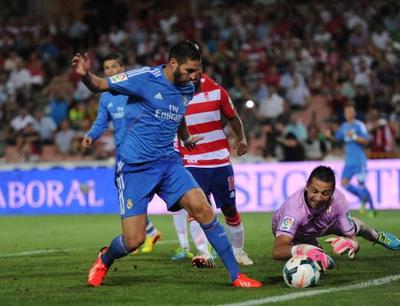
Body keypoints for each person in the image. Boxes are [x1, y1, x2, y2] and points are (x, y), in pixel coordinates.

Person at [72, 40, 261, 288]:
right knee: (133, 240)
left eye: (199, 69)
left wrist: (185, 138)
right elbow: (99, 85)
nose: (196, 76)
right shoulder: (143, 78)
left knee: (203, 209)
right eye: (191, 70)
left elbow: (178, 113)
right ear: (173, 63)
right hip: (135, 168)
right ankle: (105, 259)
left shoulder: (188, 87)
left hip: (168, 162)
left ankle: (236, 276)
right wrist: (86, 75)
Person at [171, 72, 253, 268]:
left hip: (220, 161)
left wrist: (241, 138)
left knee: (229, 209)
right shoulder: (173, 93)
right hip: (191, 161)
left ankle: (239, 252)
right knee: (197, 209)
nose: (191, 75)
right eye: (187, 70)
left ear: (200, 68)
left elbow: (233, 117)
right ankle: (204, 253)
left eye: (194, 69)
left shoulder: (216, 91)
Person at [81, 53, 161, 254]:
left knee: (139, 196)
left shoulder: (135, 89)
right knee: (126, 197)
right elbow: (101, 121)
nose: (110, 71)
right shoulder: (106, 97)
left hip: (145, 151)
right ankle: (143, 234)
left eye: (114, 67)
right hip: (123, 154)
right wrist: (91, 135)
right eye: (107, 68)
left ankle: (146, 234)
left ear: (123, 69)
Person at [272, 165, 400, 265]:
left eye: (325, 193)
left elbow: (353, 239)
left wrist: (352, 245)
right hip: (298, 232)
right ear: (306, 186)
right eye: (314, 191)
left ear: (332, 192)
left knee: (355, 227)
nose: (318, 198)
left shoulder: (339, 201)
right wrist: (303, 250)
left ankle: (377, 236)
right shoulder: (293, 209)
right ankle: (312, 248)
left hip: (323, 224)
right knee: (317, 261)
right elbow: (278, 251)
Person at [328, 104, 377, 217]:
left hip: (359, 160)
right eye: (347, 112)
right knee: (344, 183)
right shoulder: (344, 126)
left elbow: (366, 141)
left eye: (351, 112)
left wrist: (354, 136)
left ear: (354, 113)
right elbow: (338, 139)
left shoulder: (359, 125)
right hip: (348, 161)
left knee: (361, 184)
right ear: (345, 114)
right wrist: (329, 136)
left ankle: (372, 208)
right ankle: (362, 197)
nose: (349, 114)